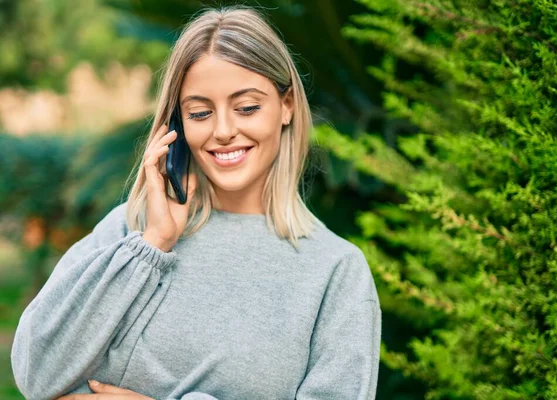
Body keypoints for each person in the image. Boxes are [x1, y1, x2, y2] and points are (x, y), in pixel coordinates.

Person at [10, 5, 381, 400]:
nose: (223, 131)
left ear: (286, 105)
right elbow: (37, 373)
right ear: (177, 124)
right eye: (200, 112)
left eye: (247, 108)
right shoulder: (128, 231)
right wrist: (152, 245)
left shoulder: (335, 274)